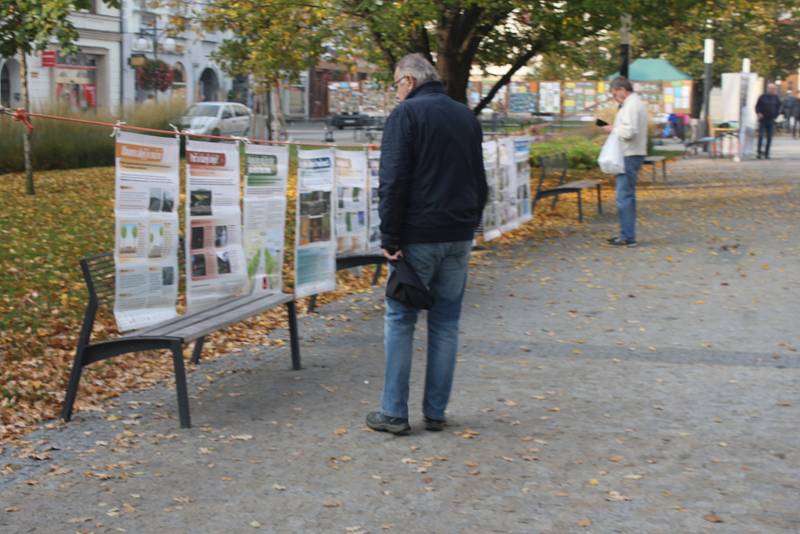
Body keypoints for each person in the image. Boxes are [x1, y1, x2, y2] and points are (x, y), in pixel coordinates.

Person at [366, 53, 487, 435]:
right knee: (446, 323)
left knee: (400, 320)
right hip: (458, 234)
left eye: (396, 84)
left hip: (418, 235)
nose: (396, 92)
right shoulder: (464, 115)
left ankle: (393, 413)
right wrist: (471, 222)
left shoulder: (407, 115)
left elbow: (393, 180)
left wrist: (390, 236)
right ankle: (435, 412)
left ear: (409, 81)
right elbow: (479, 179)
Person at [600, 77, 648, 247]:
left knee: (624, 197)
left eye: (615, 94)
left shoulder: (631, 105)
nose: (615, 98)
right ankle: (627, 233)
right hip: (632, 153)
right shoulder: (634, 104)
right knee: (627, 196)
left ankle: (627, 236)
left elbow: (629, 132)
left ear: (621, 89)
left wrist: (612, 129)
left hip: (629, 154)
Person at [756, 83, 781, 159]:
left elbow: (779, 107)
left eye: (773, 89)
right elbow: (757, 106)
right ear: (768, 89)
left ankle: (767, 153)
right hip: (763, 120)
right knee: (761, 136)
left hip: (771, 120)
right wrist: (759, 113)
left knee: (769, 137)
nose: (772, 90)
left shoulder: (776, 98)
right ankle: (759, 153)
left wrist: (776, 115)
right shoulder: (762, 97)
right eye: (771, 88)